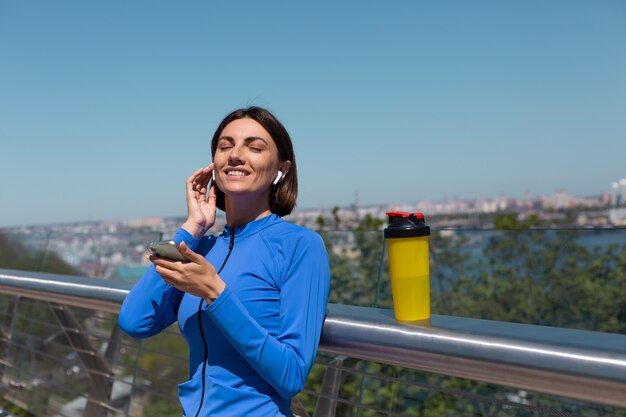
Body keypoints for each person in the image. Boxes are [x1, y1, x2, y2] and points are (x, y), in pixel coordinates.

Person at [118, 107, 331, 417]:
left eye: (255, 147)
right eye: (225, 145)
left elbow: (292, 375)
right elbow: (135, 322)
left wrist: (216, 293)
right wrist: (191, 229)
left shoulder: (300, 246)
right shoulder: (202, 249)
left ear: (280, 170)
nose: (235, 155)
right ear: (214, 164)